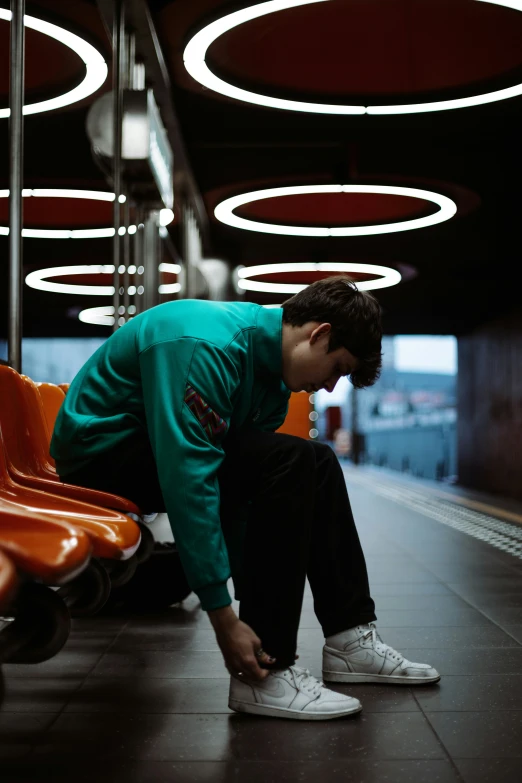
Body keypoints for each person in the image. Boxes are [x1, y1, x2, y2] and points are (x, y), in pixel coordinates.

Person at [51, 276, 440, 721]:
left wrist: (244, 598)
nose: (331, 387)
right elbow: (190, 480)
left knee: (317, 461)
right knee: (292, 459)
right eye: (336, 368)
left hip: (150, 446)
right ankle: (267, 673)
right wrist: (223, 616)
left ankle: (349, 637)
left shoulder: (272, 386)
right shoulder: (206, 345)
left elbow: (240, 497)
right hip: (98, 453)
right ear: (320, 334)